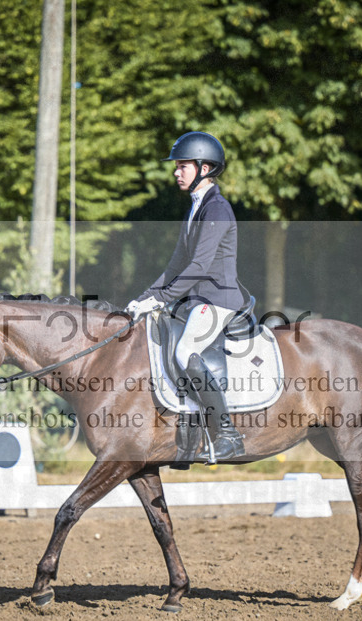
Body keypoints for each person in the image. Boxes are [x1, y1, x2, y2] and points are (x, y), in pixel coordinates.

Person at [127, 131, 247, 462]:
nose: (176, 172)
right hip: (197, 301)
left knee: (185, 350)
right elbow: (176, 266)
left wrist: (162, 299)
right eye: (176, 167)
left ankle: (227, 433)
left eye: (182, 166)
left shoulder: (217, 209)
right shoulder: (196, 208)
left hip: (219, 299)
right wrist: (143, 299)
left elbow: (198, 267)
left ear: (204, 167)